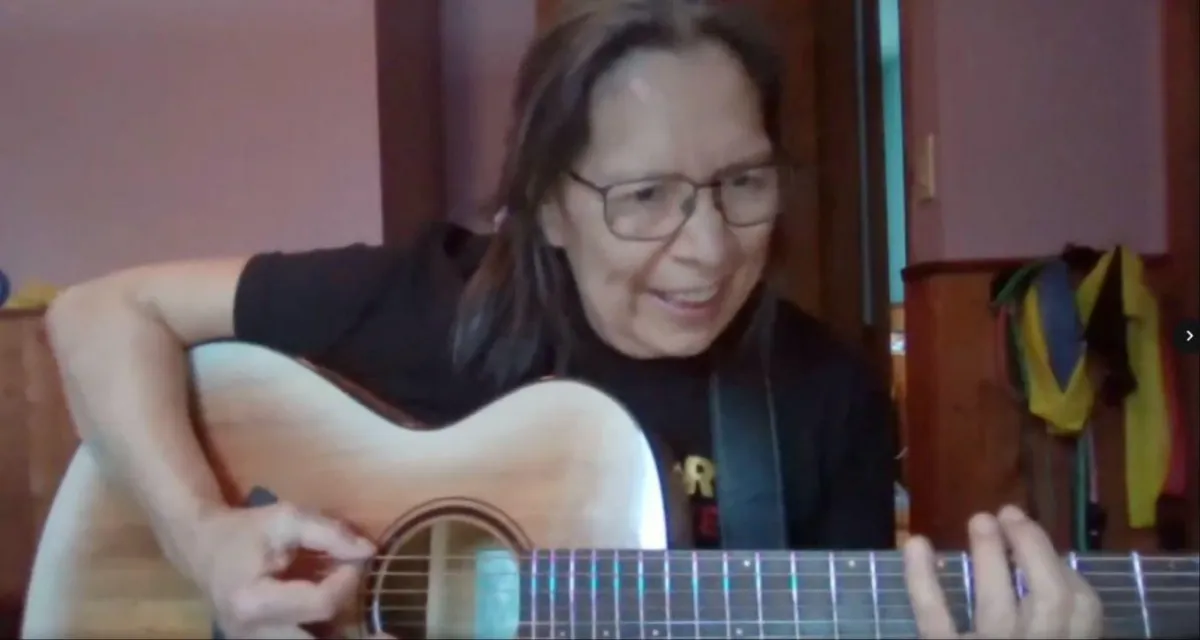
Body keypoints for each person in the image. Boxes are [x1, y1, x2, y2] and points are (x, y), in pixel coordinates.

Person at [45, 0, 1103, 638]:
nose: (709, 247)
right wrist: (203, 538)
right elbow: (100, 314)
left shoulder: (822, 400)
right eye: (645, 197)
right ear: (548, 204)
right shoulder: (428, 302)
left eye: (743, 182)